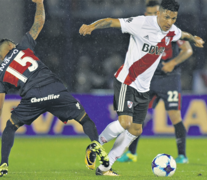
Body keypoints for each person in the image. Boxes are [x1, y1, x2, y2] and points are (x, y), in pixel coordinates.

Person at [79, 0, 204, 176]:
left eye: (173, 18)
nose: (169, 21)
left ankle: (105, 167)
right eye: (167, 17)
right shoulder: (142, 23)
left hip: (144, 88)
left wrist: (194, 38)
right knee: (125, 123)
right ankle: (95, 146)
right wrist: (92, 26)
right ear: (159, 13)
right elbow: (111, 21)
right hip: (126, 81)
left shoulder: (172, 31)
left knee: (136, 130)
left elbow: (183, 34)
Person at [0, 0, 109, 177]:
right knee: (84, 119)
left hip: (32, 96)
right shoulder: (23, 47)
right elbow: (39, 22)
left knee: (10, 127)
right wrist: (40, 3)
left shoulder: (1, 73)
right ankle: (95, 143)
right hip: (54, 88)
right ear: (11, 46)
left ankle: (3, 164)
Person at [117, 0, 193, 164]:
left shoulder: (170, 30)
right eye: (149, 13)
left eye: (154, 12)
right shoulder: (144, 27)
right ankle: (131, 153)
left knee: (175, 116)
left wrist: (173, 63)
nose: (152, 16)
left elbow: (188, 50)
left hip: (169, 79)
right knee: (139, 117)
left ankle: (182, 155)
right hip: (149, 78)